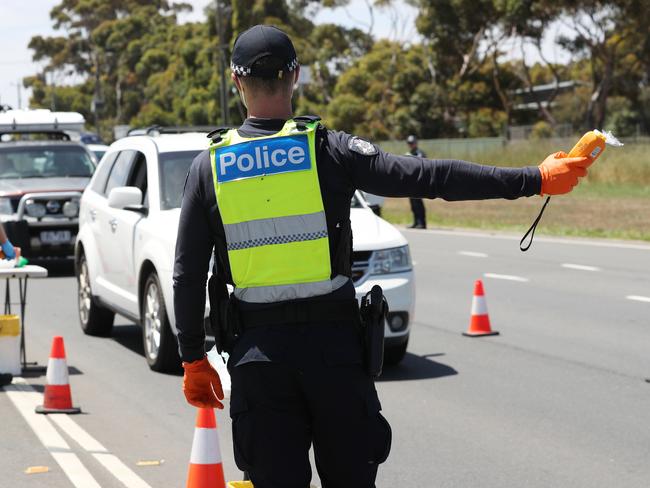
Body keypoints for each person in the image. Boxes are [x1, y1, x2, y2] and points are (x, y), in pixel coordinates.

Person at [173, 25, 591, 488]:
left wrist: (193, 358)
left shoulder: (209, 167)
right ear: (296, 76)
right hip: (334, 355)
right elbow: (432, 177)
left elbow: (188, 275)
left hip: (258, 361)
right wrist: (534, 178)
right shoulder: (328, 150)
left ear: (236, 82)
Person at [405, 134, 427, 228]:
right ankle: (416, 222)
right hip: (411, 182)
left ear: (416, 143)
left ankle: (422, 223)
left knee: (418, 202)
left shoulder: (420, 153)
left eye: (412, 143)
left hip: (419, 181)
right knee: (413, 203)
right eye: (409, 143)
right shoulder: (408, 153)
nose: (411, 145)